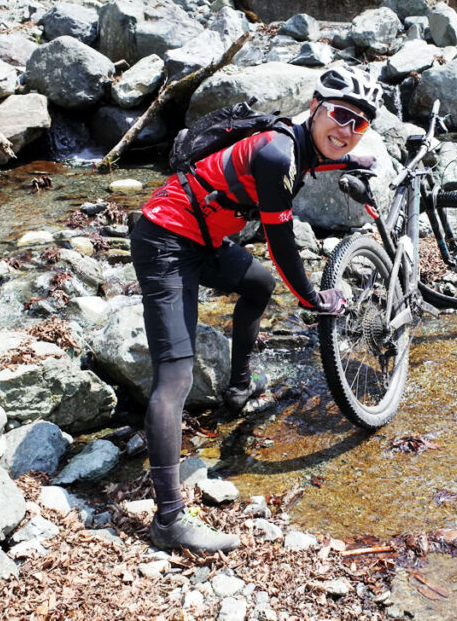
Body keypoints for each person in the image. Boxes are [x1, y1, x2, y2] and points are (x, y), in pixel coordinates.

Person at [129, 66, 382, 552]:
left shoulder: (300, 144)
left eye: (360, 124)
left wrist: (356, 160)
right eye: (342, 115)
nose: (347, 131)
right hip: (163, 241)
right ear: (315, 107)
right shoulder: (275, 152)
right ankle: (169, 522)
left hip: (202, 239)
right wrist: (312, 298)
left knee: (258, 285)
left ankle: (239, 387)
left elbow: (316, 161)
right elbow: (281, 242)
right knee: (175, 378)